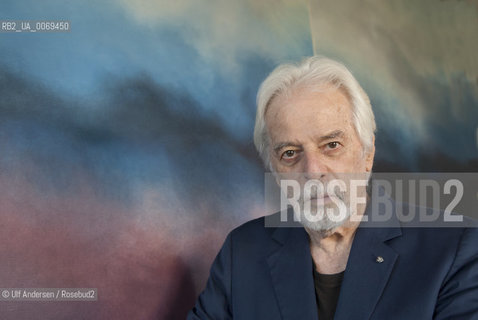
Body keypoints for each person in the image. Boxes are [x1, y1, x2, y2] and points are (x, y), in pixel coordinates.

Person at [187, 56, 478, 319]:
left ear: (367, 153)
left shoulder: (456, 248)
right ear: (275, 170)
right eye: (290, 153)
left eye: (331, 146)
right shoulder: (242, 252)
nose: (313, 172)